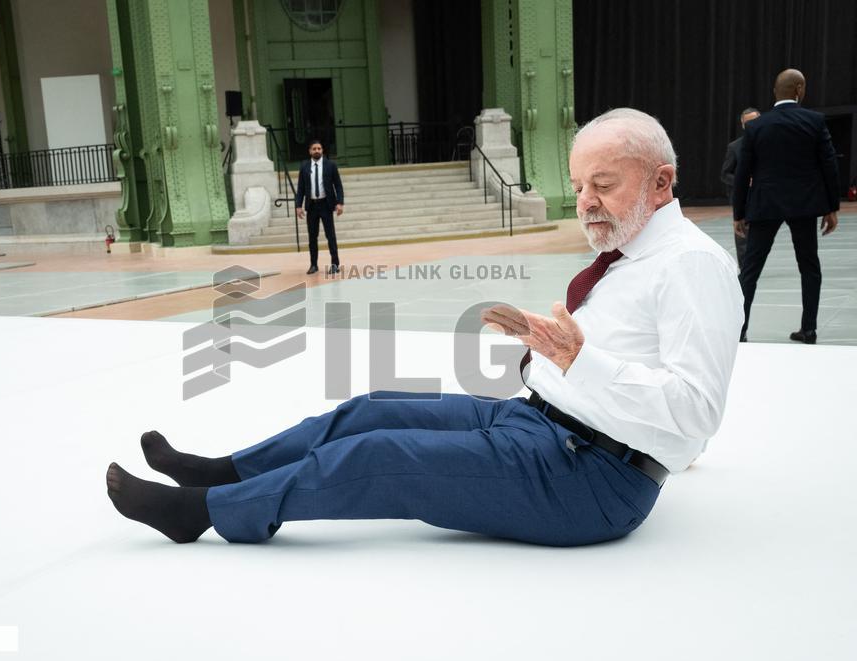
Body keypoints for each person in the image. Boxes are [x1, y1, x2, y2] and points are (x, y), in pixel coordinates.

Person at [105, 108, 743, 547]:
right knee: (371, 411)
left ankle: (202, 513)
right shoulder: (632, 255)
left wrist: (581, 363)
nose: (585, 202)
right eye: (578, 185)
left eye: (602, 183)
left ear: (661, 183)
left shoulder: (691, 266)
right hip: (539, 422)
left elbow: (697, 411)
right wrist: (549, 350)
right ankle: (222, 472)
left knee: (381, 457)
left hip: (592, 479)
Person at [733, 69, 840, 344]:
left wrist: (738, 212)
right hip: (804, 205)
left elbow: (743, 172)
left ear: (775, 92)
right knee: (809, 267)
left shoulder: (756, 127)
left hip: (764, 205)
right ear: (799, 89)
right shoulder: (814, 121)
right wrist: (831, 207)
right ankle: (809, 329)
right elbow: (829, 165)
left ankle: (739, 330)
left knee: (750, 270)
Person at [294, 138, 344, 275]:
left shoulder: (330, 165)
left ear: (322, 150)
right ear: (310, 151)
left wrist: (339, 203)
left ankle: (335, 264)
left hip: (326, 205)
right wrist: (298, 205)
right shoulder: (304, 166)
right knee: (312, 237)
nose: (317, 151)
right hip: (312, 206)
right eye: (314, 149)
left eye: (319, 149)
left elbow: (338, 185)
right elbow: (301, 188)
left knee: (330, 235)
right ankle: (313, 265)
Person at [720, 107, 761, 269]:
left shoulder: (771, 144)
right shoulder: (735, 147)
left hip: (765, 197)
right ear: (743, 125)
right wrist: (742, 180)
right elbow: (725, 174)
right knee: (743, 236)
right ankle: (745, 271)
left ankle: (755, 266)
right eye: (748, 123)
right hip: (744, 199)